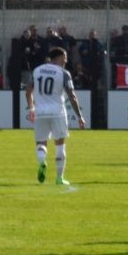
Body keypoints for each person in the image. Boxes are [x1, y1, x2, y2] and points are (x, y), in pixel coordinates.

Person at [26, 46, 86, 187]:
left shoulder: (37, 71)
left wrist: (31, 108)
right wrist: (79, 116)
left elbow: (28, 92)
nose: (66, 60)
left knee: (41, 143)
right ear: (59, 57)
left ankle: (42, 162)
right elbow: (72, 95)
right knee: (60, 145)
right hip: (58, 112)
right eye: (65, 57)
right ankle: (59, 178)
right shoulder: (64, 73)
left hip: (40, 112)